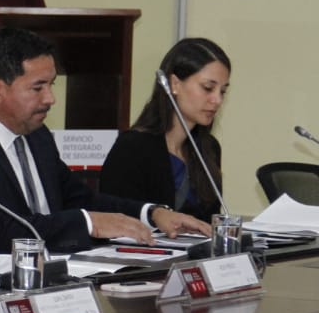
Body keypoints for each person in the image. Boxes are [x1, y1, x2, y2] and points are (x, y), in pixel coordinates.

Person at [0, 27, 210, 251]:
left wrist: (151, 213)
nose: (51, 99)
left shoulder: (37, 135)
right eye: (38, 88)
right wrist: (88, 223)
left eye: (52, 84)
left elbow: (78, 197)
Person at [99, 38, 231, 222]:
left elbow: (211, 220)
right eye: (208, 88)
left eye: (222, 91)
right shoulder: (132, 147)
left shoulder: (209, 148)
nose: (217, 100)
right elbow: (116, 217)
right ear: (174, 84)